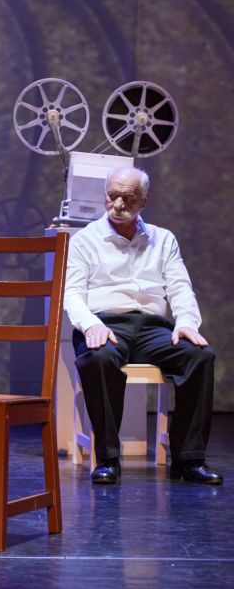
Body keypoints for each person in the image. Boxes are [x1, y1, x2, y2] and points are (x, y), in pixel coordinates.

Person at [64, 166, 222, 485]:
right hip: (106, 323)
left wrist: (187, 323)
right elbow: (72, 293)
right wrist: (90, 324)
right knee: (99, 358)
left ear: (145, 200)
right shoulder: (85, 240)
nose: (118, 204)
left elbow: (180, 288)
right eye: (112, 195)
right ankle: (108, 458)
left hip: (152, 328)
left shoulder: (163, 239)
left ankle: (188, 459)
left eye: (128, 197)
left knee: (199, 356)